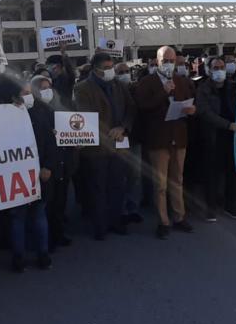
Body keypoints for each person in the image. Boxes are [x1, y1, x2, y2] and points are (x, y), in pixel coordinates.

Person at [135, 45, 197, 240]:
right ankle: (163, 220)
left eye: (172, 61)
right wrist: (163, 92)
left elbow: (190, 103)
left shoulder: (183, 82)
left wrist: (191, 110)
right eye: (165, 61)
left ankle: (179, 216)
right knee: (160, 184)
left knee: (177, 180)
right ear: (157, 62)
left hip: (178, 138)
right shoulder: (146, 83)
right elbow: (143, 107)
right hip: (158, 140)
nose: (169, 65)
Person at [75, 53, 136, 240]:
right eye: (107, 68)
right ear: (96, 69)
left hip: (119, 144)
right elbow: (85, 116)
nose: (111, 71)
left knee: (117, 185)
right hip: (96, 149)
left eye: (112, 67)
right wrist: (109, 132)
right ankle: (100, 226)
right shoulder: (82, 88)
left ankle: (116, 221)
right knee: (98, 188)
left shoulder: (119, 85)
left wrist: (123, 127)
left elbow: (130, 108)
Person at [7, 77, 53, 272]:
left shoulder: (42, 111)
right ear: (14, 97)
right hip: (15, 176)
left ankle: (43, 254)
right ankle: (19, 257)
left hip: (40, 173)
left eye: (30, 92)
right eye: (24, 93)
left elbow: (51, 141)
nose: (29, 96)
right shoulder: (3, 117)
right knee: (18, 217)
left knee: (39, 214)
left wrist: (47, 166)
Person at [195, 57, 236, 221]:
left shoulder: (234, 86)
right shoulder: (203, 89)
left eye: (222, 67)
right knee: (212, 174)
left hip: (233, 135)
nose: (220, 70)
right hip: (213, 135)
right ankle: (211, 207)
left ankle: (231, 206)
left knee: (232, 172)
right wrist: (227, 125)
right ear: (209, 70)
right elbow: (204, 112)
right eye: (216, 67)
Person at [115, 62, 144, 225]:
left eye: (127, 71)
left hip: (134, 138)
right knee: (120, 176)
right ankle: (121, 210)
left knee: (135, 175)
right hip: (117, 138)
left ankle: (133, 208)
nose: (125, 74)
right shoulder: (112, 89)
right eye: (121, 72)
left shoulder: (136, 88)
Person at [45, 42, 76, 110]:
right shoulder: (51, 80)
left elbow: (69, 70)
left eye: (48, 66)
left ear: (56, 66)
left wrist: (63, 53)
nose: (47, 68)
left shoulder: (66, 79)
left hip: (65, 111)